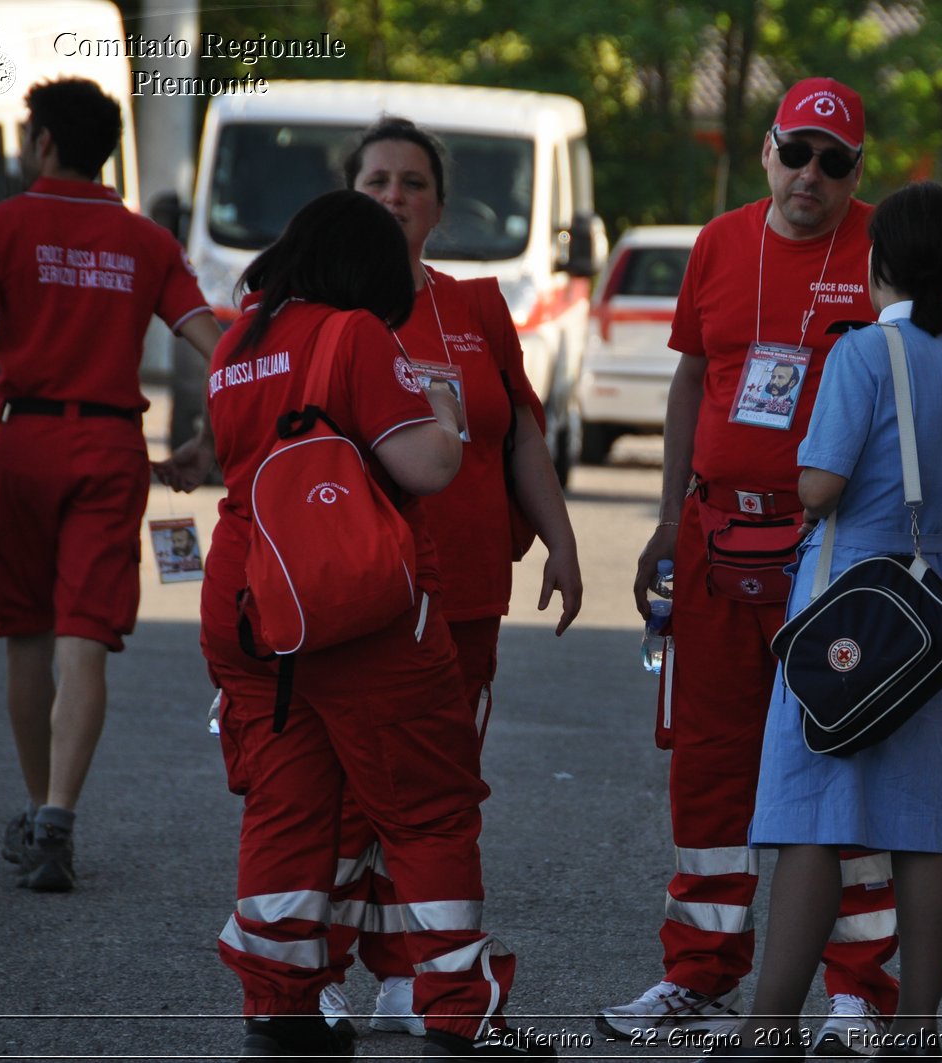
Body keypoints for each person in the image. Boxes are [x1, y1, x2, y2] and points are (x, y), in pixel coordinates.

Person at [609, 77, 942, 1051]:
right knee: (711, 769)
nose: (811, 173)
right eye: (795, 151)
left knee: (847, 768)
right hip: (720, 535)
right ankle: (699, 977)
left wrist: (922, 466)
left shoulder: (891, 244)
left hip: (838, 563)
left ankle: (856, 995)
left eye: (834, 160)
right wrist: (662, 516)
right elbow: (693, 375)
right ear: (766, 150)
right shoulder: (719, 243)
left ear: (858, 173)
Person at [199, 189, 534, 1060]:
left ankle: (279, 1004)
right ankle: (461, 1008)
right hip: (357, 602)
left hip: (252, 600)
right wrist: (444, 407)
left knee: (287, 804)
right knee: (428, 807)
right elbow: (426, 464)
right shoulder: (354, 333)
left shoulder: (240, 341)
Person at [737, 179, 942, 1059]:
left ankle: (768, 1026)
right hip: (932, 606)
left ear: (878, 265)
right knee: (923, 828)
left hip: (846, 601)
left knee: (812, 821)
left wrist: (818, 486)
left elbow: (820, 487)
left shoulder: (862, 354)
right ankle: (918, 1027)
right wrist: (925, 524)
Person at [314, 116, 582, 1038]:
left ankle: (410, 974)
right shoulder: (322, 313)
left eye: (413, 183)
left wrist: (563, 541)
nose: (395, 196)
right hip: (355, 604)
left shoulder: (474, 307)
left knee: (435, 798)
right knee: (346, 794)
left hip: (464, 598)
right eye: (378, 180)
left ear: (438, 203)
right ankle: (321, 969)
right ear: (350, 193)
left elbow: (522, 438)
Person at [0, 78, 220, 893]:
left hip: (23, 440)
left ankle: (35, 809)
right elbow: (219, 349)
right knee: (85, 637)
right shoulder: (149, 243)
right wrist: (208, 442)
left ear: (45, 141)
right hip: (110, 446)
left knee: (25, 634)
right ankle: (57, 815)